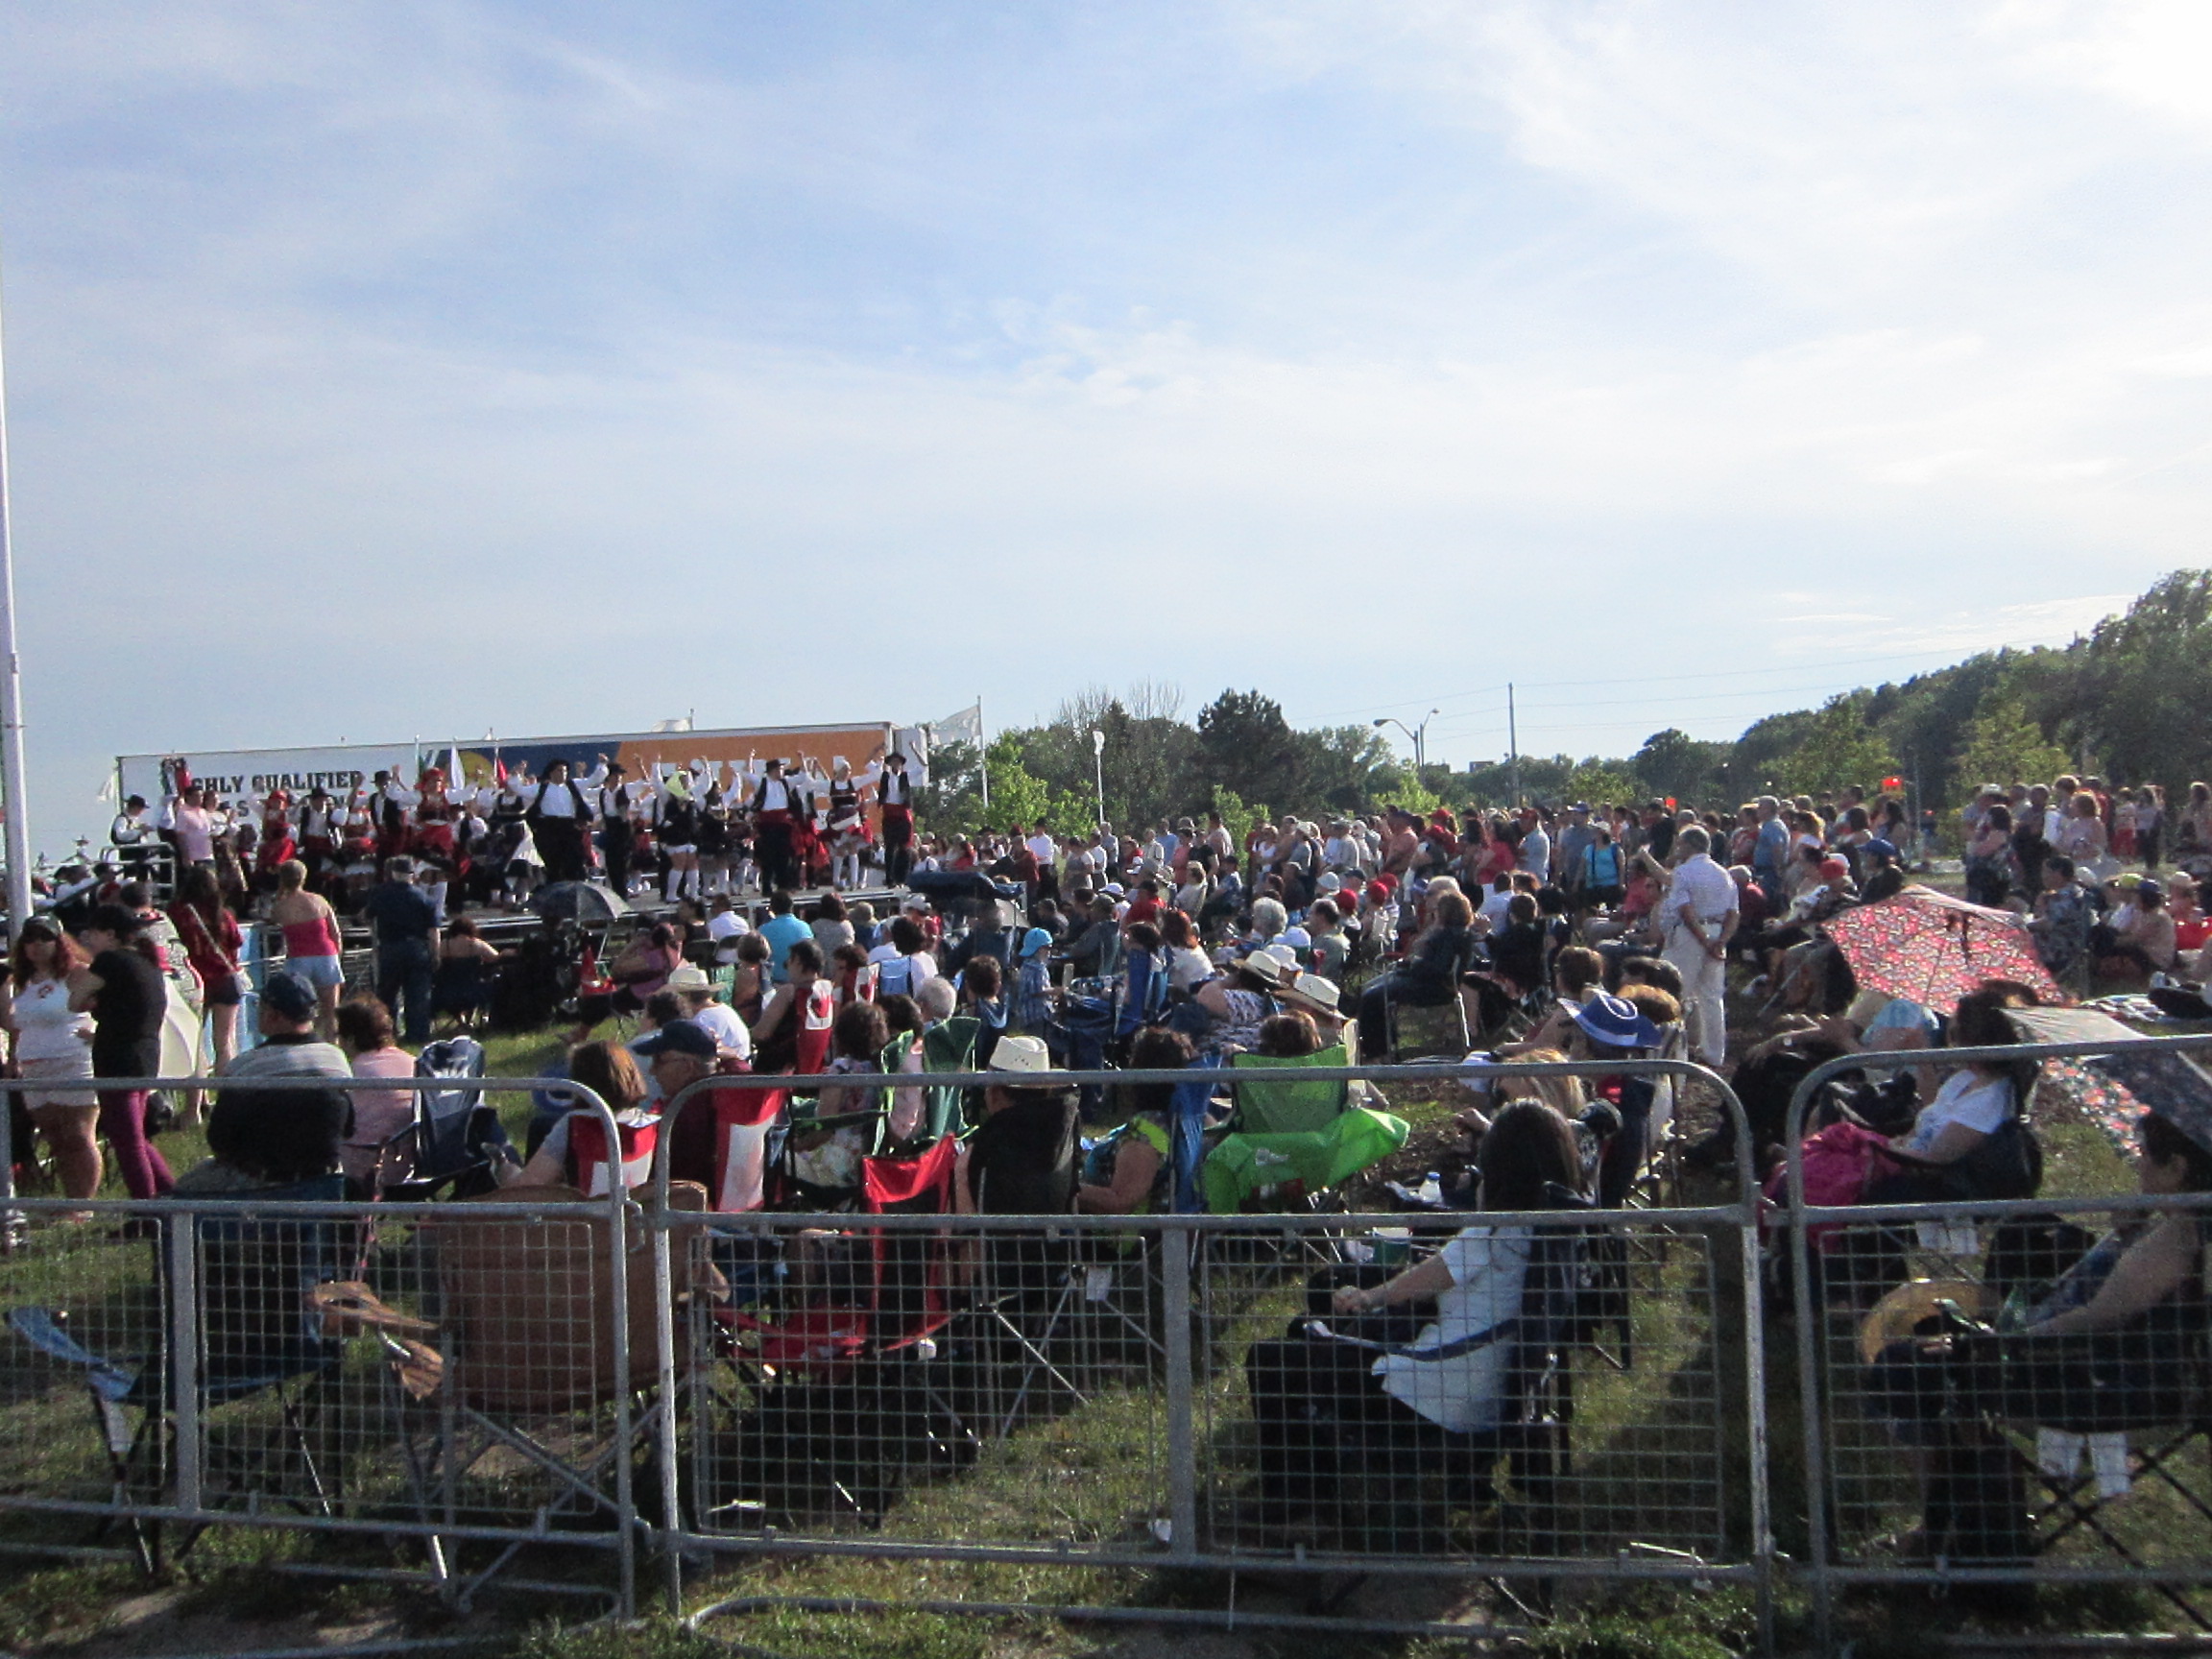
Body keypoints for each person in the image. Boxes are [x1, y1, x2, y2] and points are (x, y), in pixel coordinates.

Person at [1863, 1101, 2212, 1563]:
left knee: (1902, 1368)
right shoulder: (2179, 1229)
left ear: (2178, 1168)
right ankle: (1967, 1523)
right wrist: (2128, 1232)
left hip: (2098, 1387)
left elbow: (2097, 1318)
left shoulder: (2179, 1239)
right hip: (2110, 1375)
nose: (2137, 1160)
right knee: (1932, 1358)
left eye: (2145, 1152)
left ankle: (1948, 1533)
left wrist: (2001, 1344)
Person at [1242, 1100, 1586, 1511]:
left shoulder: (1494, 1233)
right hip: (1494, 1409)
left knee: (1270, 1359)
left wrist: (1369, 1297)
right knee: (1317, 1349)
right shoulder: (1552, 1233)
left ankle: (1296, 1503)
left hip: (1427, 1402)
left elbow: (1429, 1278)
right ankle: (1316, 1481)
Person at [66, 905, 175, 1200]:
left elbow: (75, 1001)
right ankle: (170, 1196)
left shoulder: (110, 961)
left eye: (95, 932)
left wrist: (87, 992)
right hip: (145, 1055)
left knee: (126, 1141)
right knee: (136, 1137)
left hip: (118, 1057)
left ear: (110, 934)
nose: (89, 938)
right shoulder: (146, 963)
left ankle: (147, 1209)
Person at [4, 919, 100, 1206]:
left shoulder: (78, 974)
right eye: (30, 939)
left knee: (78, 1136)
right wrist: (12, 1057)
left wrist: (99, 1034)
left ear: (59, 942)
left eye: (44, 938)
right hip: (33, 1065)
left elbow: (109, 1009)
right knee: (55, 1138)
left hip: (72, 1060)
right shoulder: (22, 981)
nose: (36, 945)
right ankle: (68, 1201)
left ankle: (83, 1206)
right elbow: (17, 1026)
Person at [1076, 1026, 1190, 1214]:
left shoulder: (1146, 1134)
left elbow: (1120, 1201)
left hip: (1108, 1238)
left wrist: (1062, 1189)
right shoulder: (1187, 1117)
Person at [514, 1039, 655, 1189]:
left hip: (586, 1210)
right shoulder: (650, 1123)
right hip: (634, 1208)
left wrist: (506, 1168)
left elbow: (530, 1184)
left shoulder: (576, 1125)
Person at [1356, 890, 1478, 1060]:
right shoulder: (1461, 934)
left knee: (1373, 997)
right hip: (1434, 984)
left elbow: (1437, 969)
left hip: (1430, 988)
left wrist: (1411, 965)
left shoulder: (1448, 936)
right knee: (1374, 991)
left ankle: (1376, 1051)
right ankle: (1379, 1046)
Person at [1658, 826, 1738, 1068]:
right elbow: (1734, 913)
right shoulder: (1724, 873)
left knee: (1675, 992)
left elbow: (1685, 908)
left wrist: (1704, 940)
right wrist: (1721, 941)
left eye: (1681, 844)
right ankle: (1714, 1053)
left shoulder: (1683, 872)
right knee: (1712, 996)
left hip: (1691, 935)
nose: (1678, 848)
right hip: (1717, 931)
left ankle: (1668, 1049)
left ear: (1690, 845)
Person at [168, 865, 245, 1079]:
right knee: (225, 1042)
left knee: (195, 1043)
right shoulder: (223, 914)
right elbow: (236, 943)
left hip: (196, 980)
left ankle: (196, 1103)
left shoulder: (179, 913)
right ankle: (226, 1093)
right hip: (226, 978)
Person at [334, 996, 417, 1190]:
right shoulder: (413, 1062)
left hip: (371, 1170)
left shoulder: (354, 1073)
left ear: (350, 1039)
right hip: (414, 1164)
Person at [364, 856, 441, 1046]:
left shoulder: (380, 894)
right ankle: (418, 1036)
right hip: (417, 948)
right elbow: (433, 931)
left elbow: (366, 916)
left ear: (393, 873)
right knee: (418, 995)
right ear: (412, 875)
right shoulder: (425, 899)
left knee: (387, 994)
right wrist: (435, 954)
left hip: (390, 947)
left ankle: (388, 1033)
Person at [270, 858, 346, 1038]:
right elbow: (335, 933)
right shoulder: (319, 900)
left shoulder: (281, 906)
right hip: (326, 955)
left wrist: (281, 892)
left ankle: (304, 1042)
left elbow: (272, 917)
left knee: (299, 1009)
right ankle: (333, 1045)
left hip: (298, 957)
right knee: (331, 1009)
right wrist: (337, 957)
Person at [526, 758, 592, 884]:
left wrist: (601, 765)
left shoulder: (572, 786)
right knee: (553, 862)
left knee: (575, 859)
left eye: (565, 771)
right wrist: (516, 776)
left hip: (569, 826)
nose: (563, 774)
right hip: (550, 827)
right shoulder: (542, 788)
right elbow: (519, 790)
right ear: (551, 773)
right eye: (559, 770)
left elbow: (593, 780)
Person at [757, 889, 812, 984]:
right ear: (791, 906)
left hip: (773, 983)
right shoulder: (805, 927)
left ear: (772, 908)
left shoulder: (763, 930)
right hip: (802, 982)